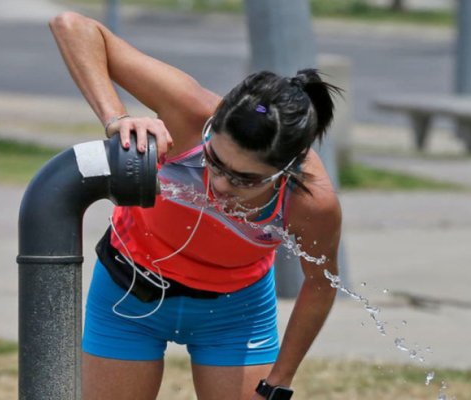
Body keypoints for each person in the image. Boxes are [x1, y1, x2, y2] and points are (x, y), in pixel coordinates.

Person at [50, 11, 342, 400]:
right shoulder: (188, 109)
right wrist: (116, 119)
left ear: (286, 170)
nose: (221, 185)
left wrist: (279, 380)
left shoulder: (311, 200)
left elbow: (321, 283)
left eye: (245, 179)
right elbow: (72, 26)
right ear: (212, 125)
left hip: (234, 314)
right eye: (214, 161)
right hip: (128, 291)